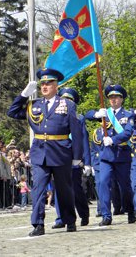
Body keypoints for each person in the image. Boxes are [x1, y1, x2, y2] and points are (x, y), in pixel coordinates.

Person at [7, 68, 83, 236]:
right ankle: (38, 224)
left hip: (61, 152)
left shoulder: (67, 105)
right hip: (40, 153)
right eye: (43, 83)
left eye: (49, 83)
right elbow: (11, 112)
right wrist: (24, 95)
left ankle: (70, 220)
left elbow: (76, 133)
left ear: (56, 86)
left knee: (64, 190)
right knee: (38, 189)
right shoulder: (34, 105)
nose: (45, 86)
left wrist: (77, 157)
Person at [85, 84, 136, 226]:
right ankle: (106, 215)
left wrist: (113, 140)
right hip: (106, 156)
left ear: (122, 99)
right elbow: (87, 115)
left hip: (121, 155)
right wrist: (96, 114)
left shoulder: (128, 115)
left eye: (116, 97)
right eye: (111, 97)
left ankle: (130, 210)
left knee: (125, 186)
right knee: (103, 183)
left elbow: (128, 133)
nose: (113, 100)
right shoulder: (105, 114)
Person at [52, 87, 91, 229]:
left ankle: (84, 213)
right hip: (58, 156)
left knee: (75, 188)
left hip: (74, 158)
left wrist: (86, 162)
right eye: (64, 99)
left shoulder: (78, 118)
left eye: (69, 100)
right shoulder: (53, 116)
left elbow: (83, 140)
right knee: (59, 188)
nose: (66, 102)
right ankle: (61, 218)